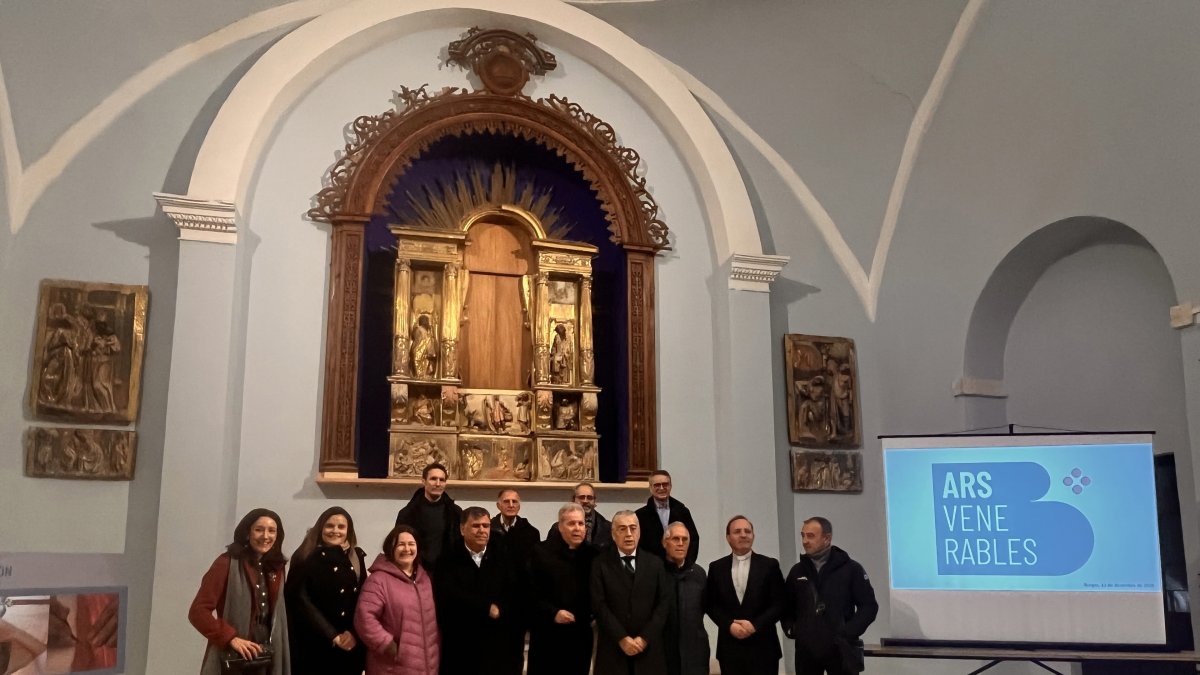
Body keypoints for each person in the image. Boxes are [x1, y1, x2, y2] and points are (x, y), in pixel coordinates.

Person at [189, 508, 291, 675]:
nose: (266, 536)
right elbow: (197, 612)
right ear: (247, 533)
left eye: (272, 531)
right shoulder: (226, 563)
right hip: (234, 654)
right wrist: (230, 638)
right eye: (259, 530)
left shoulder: (277, 568)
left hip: (268, 652)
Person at [783, 517, 878, 675]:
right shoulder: (797, 571)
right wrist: (792, 629)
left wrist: (848, 632)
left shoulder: (851, 569)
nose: (805, 541)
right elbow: (786, 606)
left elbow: (869, 607)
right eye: (803, 535)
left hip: (841, 649)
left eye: (811, 536)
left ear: (827, 538)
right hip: (807, 651)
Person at [434, 507, 522, 675]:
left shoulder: (503, 556)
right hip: (462, 643)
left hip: (497, 642)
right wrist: (485, 607)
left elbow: (514, 592)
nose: (482, 530)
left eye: (486, 526)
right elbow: (449, 599)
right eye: (476, 526)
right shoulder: (447, 559)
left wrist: (501, 609)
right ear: (462, 529)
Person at [285, 506, 367, 675]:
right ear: (320, 528)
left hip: (350, 642)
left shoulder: (356, 557)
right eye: (330, 526)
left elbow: (363, 597)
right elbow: (299, 599)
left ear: (349, 531)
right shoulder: (305, 556)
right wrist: (332, 635)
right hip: (314, 643)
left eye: (341, 527)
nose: (335, 531)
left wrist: (353, 632)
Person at [590, 510, 673, 675]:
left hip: (648, 651)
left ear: (639, 532)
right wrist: (622, 638)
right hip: (613, 650)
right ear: (613, 534)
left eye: (633, 528)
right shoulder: (600, 564)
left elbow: (663, 604)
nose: (628, 534)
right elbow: (599, 604)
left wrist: (644, 638)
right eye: (622, 529)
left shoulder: (655, 564)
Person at [354, 524, 440, 675]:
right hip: (392, 666)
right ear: (390, 549)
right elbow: (364, 618)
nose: (407, 549)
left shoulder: (425, 578)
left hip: (428, 665)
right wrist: (387, 645)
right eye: (401, 544)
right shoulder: (378, 580)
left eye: (411, 544)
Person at [704, 515, 784, 675]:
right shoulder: (716, 567)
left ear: (753, 536)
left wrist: (755, 625)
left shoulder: (770, 565)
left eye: (748, 531)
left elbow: (780, 603)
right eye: (737, 531)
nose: (743, 535)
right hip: (730, 648)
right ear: (728, 537)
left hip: (764, 647)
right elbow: (710, 604)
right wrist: (729, 625)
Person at [527, 504, 597, 675]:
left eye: (581, 524)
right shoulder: (540, 552)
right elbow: (529, 591)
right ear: (560, 526)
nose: (577, 529)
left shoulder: (593, 554)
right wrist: (553, 612)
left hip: (580, 633)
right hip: (547, 632)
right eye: (571, 524)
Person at [394, 462, 463, 570]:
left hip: (447, 571)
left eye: (442, 480)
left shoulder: (455, 512)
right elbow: (398, 545)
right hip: (415, 569)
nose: (438, 483)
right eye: (433, 479)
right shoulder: (407, 513)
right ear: (423, 481)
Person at [662, 522, 709, 675]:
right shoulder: (655, 572)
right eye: (676, 539)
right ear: (665, 542)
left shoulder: (698, 574)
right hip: (664, 653)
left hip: (695, 653)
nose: (681, 544)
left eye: (685, 539)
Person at [635, 470, 700, 567]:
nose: (661, 488)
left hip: (678, 568)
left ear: (670, 486)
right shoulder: (640, 515)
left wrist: (686, 564)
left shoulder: (682, 511)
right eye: (657, 485)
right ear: (650, 488)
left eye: (665, 484)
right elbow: (638, 545)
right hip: (651, 569)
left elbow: (693, 539)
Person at [546, 482, 611, 550]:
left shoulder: (608, 528)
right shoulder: (557, 529)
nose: (585, 501)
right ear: (573, 500)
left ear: (595, 501)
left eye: (589, 498)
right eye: (581, 497)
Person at [491, 488, 541, 562]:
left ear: (519, 506)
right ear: (498, 506)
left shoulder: (531, 533)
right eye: (506, 501)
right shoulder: (488, 529)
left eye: (514, 502)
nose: (511, 505)